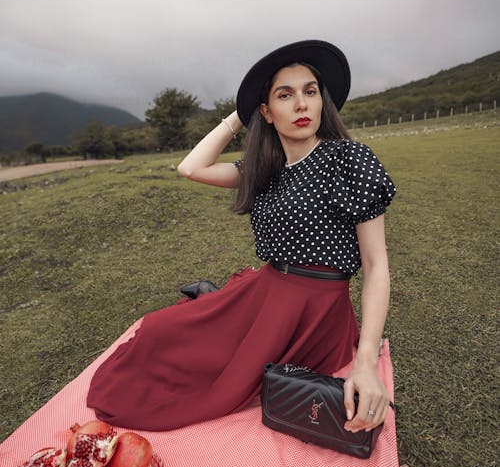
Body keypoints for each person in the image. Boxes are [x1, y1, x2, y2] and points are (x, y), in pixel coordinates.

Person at [87, 40, 396, 433]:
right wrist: (241, 112)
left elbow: (376, 264)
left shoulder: (349, 159)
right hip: (265, 295)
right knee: (160, 331)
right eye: (285, 96)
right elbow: (190, 167)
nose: (301, 105)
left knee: (218, 384)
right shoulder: (264, 169)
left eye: (310, 91)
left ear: (322, 101)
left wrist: (366, 360)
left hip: (318, 314)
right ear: (266, 111)